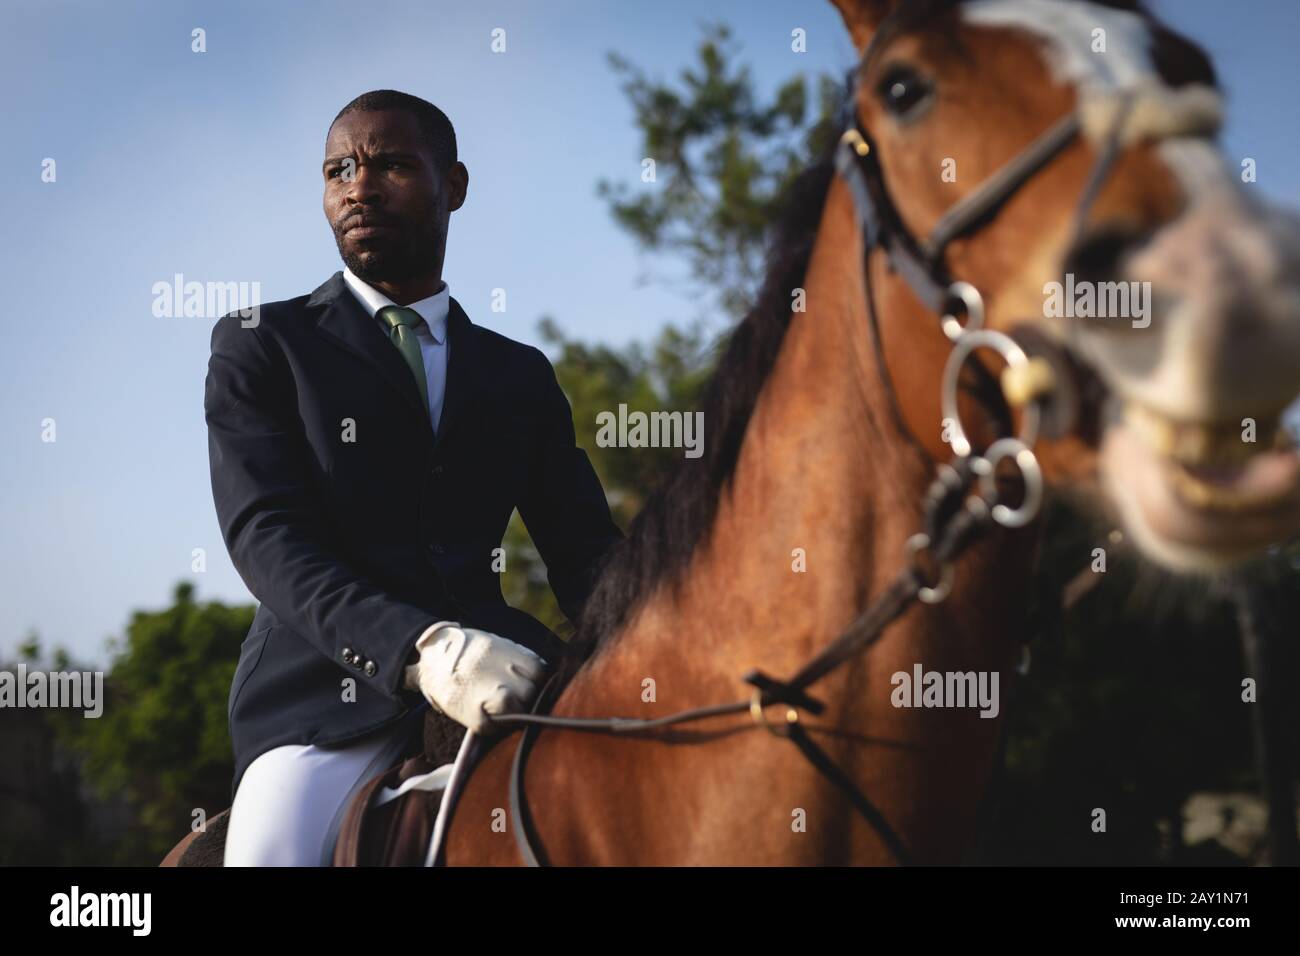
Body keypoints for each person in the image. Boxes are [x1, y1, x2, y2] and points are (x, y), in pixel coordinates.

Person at [204, 89, 623, 866]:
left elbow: (588, 557)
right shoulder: (263, 344)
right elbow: (268, 539)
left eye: (391, 164)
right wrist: (420, 648)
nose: (359, 186)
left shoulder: (518, 374)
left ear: (453, 186)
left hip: (508, 678)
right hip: (321, 704)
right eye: (339, 169)